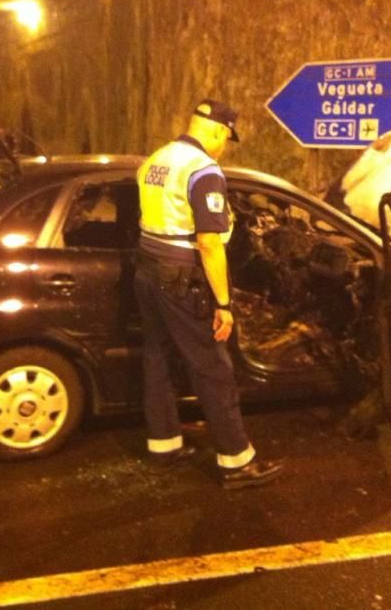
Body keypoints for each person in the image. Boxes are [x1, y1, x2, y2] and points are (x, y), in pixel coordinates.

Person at [134, 99, 284, 489]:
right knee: (212, 367)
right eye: (225, 139)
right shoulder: (203, 170)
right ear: (219, 131)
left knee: (157, 357)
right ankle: (236, 461)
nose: (223, 146)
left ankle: (163, 446)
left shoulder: (157, 159)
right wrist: (224, 303)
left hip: (147, 269)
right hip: (181, 275)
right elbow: (209, 244)